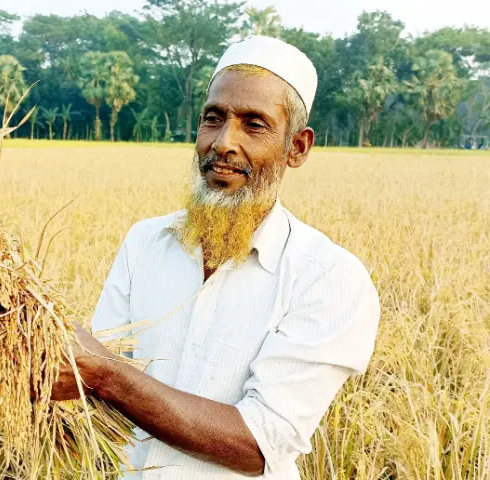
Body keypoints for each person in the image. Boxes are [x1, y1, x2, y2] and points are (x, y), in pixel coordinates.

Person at [51, 36, 380, 479]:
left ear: (297, 148)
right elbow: (93, 393)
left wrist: (105, 373)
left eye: (254, 124)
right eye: (214, 118)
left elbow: (258, 445)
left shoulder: (329, 278)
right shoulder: (145, 242)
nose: (224, 142)